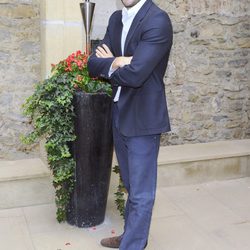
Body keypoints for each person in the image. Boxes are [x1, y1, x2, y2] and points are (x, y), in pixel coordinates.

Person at [87, 0, 173, 249]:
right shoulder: (116, 19)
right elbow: (93, 64)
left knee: (142, 192)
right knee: (130, 182)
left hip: (144, 117)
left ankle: (132, 245)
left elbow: (137, 74)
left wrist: (112, 62)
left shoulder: (157, 20)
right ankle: (132, 236)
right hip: (120, 113)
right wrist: (119, 61)